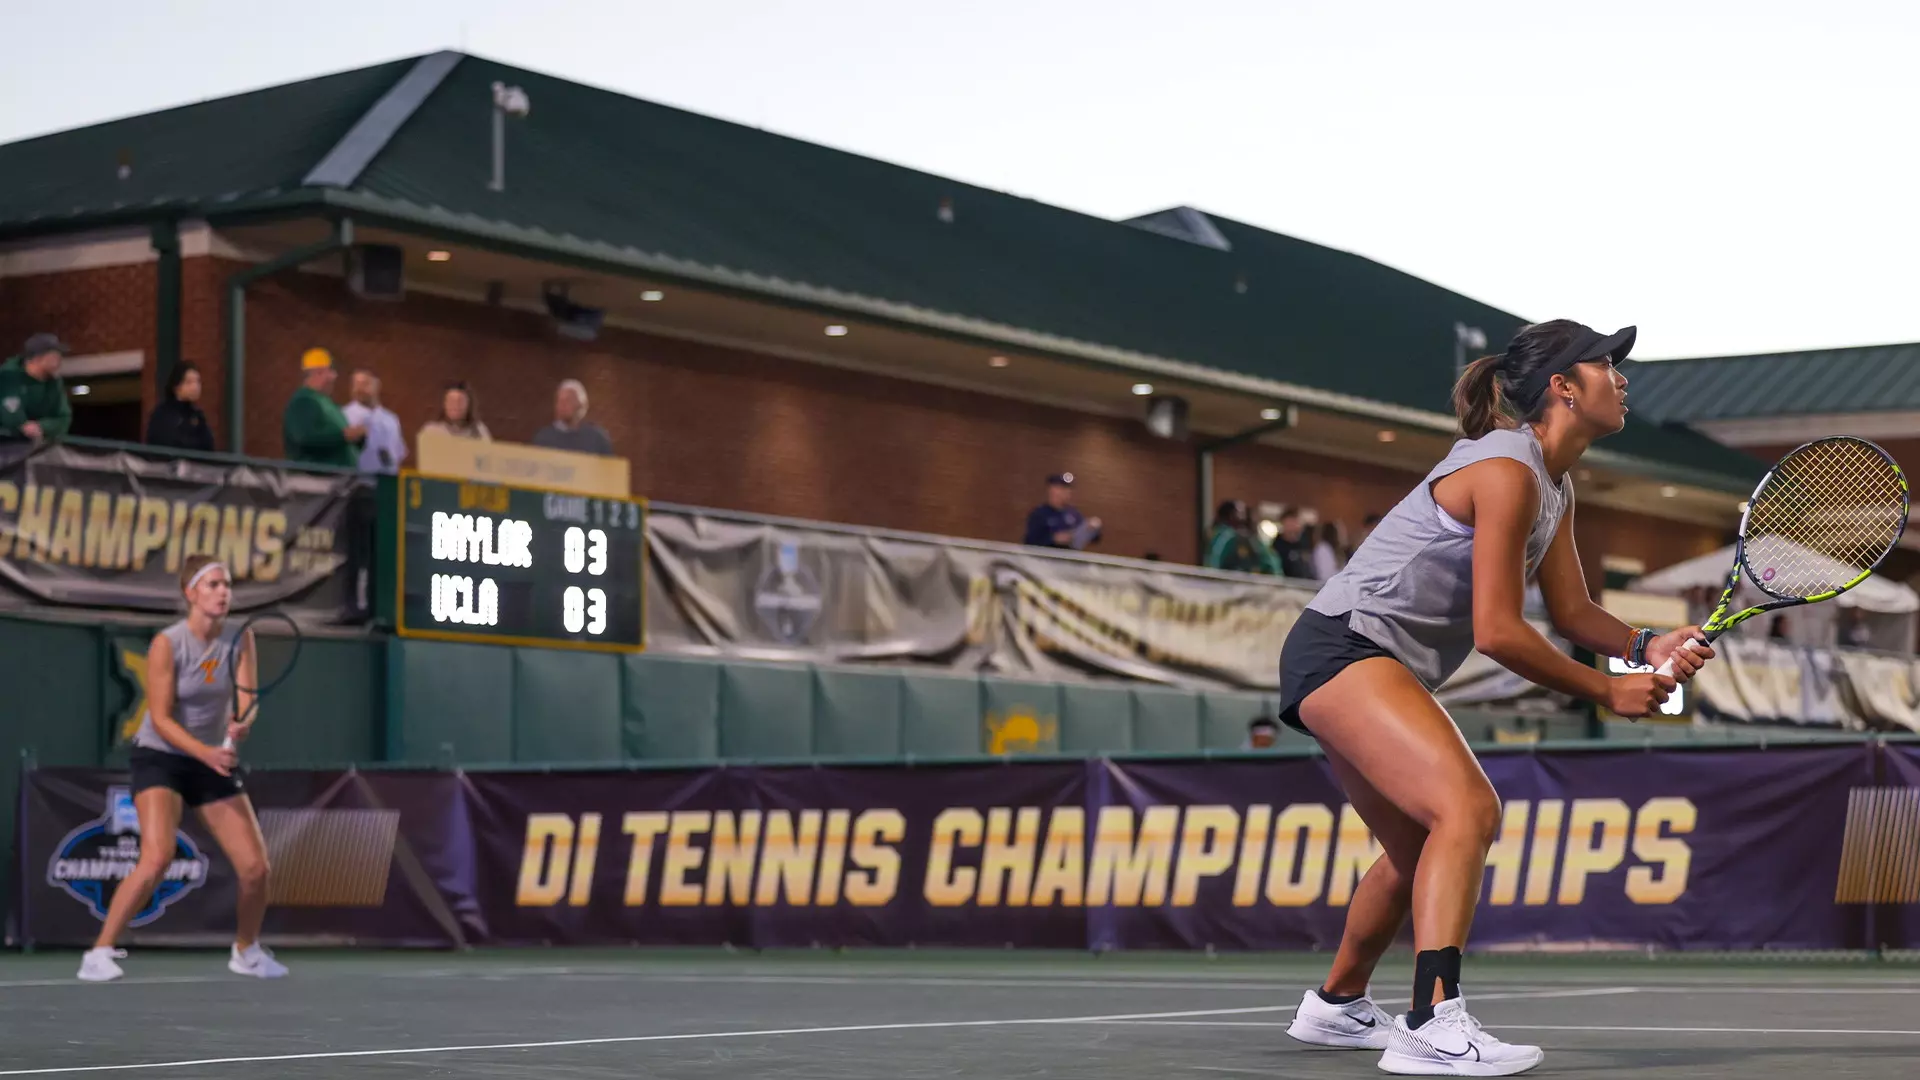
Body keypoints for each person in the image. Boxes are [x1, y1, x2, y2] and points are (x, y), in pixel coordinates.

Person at [1275, 320, 1712, 1075]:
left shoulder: (1555, 482)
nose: (1622, 377)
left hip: (1357, 656)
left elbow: (1573, 613)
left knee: (1419, 849)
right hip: (1346, 645)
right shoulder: (1506, 468)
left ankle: (1337, 1007)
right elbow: (1500, 631)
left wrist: (1648, 646)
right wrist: (1609, 690)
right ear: (1563, 387)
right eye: (1607, 364)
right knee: (1468, 810)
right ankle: (1432, 1022)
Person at [76, 555, 288, 983]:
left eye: (226, 584)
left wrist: (243, 723)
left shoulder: (240, 638)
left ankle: (246, 951)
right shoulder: (167, 644)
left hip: (212, 759)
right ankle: (99, 952)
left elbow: (247, 697)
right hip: (162, 756)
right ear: (190, 593)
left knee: (256, 869)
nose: (223, 592)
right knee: (157, 856)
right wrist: (206, 753)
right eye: (212, 584)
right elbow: (161, 717)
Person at [282, 348, 364, 468]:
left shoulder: (327, 403)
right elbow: (304, 436)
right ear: (317, 372)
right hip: (316, 480)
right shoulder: (304, 400)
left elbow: (340, 441)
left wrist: (359, 439)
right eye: (330, 371)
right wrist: (343, 436)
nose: (335, 376)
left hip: (338, 481)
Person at [0, 332, 74, 443]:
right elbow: (10, 414)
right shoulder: (9, 376)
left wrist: (41, 426)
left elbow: (64, 418)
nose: (59, 360)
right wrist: (24, 426)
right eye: (54, 356)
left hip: (39, 448)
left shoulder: (54, 382)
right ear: (37, 358)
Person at [341, 369, 407, 474]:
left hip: (386, 481)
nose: (359, 389)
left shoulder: (391, 419)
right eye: (356, 384)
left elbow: (397, 455)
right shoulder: (344, 416)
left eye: (364, 384)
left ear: (377, 385)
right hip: (357, 481)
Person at [144, 362, 215, 452]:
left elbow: (208, 445)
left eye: (198, 381)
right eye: (189, 382)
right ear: (176, 387)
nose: (195, 387)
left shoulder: (198, 416)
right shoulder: (163, 413)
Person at [532, 378, 613, 455]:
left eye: (568, 400)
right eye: (560, 400)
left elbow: (609, 467)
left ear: (581, 405)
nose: (562, 405)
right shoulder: (544, 438)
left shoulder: (597, 438)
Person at [1022, 472, 1102, 549]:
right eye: (1062, 489)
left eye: (1068, 490)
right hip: (1045, 559)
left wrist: (1093, 528)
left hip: (1068, 559)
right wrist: (1054, 539)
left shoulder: (1073, 514)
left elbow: (1093, 539)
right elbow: (1030, 541)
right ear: (1052, 491)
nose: (1066, 493)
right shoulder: (1039, 514)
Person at [1204, 499, 1281, 574]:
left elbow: (1268, 560)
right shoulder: (1224, 536)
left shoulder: (1249, 538)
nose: (1242, 518)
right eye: (1238, 513)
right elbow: (1214, 560)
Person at [418, 382, 492, 442]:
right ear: (444, 404)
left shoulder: (479, 430)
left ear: (468, 404)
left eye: (460, 401)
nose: (456, 405)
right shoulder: (431, 431)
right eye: (452, 401)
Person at [1273, 506, 1315, 579]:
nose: (1293, 525)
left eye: (1295, 522)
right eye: (1290, 522)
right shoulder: (1277, 546)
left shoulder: (1303, 544)